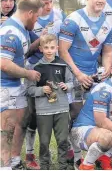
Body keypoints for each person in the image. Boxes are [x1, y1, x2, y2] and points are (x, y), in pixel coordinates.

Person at [59, 0, 112, 165]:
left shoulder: (108, 22)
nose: (100, 0)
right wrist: (78, 74)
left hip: (93, 77)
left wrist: (106, 68)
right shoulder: (73, 19)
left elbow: (107, 51)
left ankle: (96, 153)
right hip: (72, 75)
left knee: (98, 113)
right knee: (75, 114)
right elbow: (63, 51)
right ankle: (76, 156)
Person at [24, 0, 66, 170]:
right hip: (34, 67)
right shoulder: (28, 18)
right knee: (33, 114)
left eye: (50, 2)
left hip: (55, 67)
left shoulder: (59, 15)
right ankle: (30, 153)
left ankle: (67, 150)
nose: (48, 6)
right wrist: (40, 40)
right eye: (44, 3)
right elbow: (24, 51)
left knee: (61, 109)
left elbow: (64, 41)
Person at [0, 0, 44, 169]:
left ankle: (15, 160)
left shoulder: (23, 28)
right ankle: (4, 165)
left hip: (17, 86)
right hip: (6, 87)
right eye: (38, 17)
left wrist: (39, 43)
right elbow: (3, 64)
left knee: (21, 122)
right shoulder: (10, 32)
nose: (38, 20)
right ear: (30, 13)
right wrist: (27, 73)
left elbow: (20, 54)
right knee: (7, 128)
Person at [26, 34, 73, 170]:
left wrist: (67, 86)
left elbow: (72, 82)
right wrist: (41, 90)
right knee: (44, 142)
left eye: (52, 47)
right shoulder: (36, 67)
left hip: (62, 109)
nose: (49, 50)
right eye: (46, 47)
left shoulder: (63, 65)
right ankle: (45, 166)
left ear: (57, 48)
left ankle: (63, 166)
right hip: (44, 111)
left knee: (63, 140)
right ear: (40, 49)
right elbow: (29, 90)